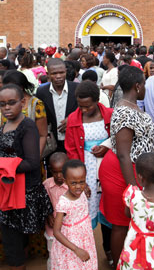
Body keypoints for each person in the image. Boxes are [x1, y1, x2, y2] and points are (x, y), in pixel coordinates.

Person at [0, 84, 53, 269]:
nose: (6, 107)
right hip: (6, 187)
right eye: (2, 104)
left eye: (11, 103)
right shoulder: (7, 123)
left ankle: (18, 264)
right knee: (13, 236)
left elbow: (31, 162)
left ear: (22, 102)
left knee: (12, 237)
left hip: (21, 191)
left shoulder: (27, 126)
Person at [99, 66, 154, 266]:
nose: (145, 87)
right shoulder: (125, 112)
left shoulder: (129, 106)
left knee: (129, 222)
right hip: (122, 171)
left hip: (130, 169)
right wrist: (133, 190)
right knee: (121, 224)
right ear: (137, 86)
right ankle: (119, 264)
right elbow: (124, 153)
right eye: (145, 84)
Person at [64, 80, 114, 266]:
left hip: (107, 169)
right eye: (80, 106)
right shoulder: (73, 119)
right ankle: (89, 253)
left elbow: (119, 139)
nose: (84, 110)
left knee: (108, 210)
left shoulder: (110, 114)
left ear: (97, 100)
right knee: (86, 214)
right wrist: (79, 182)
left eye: (88, 106)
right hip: (86, 171)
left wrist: (106, 147)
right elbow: (71, 150)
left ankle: (109, 249)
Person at [51, 159, 98, 270]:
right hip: (71, 243)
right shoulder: (64, 203)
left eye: (82, 182)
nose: (78, 186)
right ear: (65, 181)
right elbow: (56, 232)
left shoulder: (82, 192)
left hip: (85, 238)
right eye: (73, 183)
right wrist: (76, 249)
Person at [36, 58, 78, 153]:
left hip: (73, 141)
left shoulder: (76, 89)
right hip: (52, 143)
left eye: (61, 72)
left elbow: (86, 110)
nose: (58, 76)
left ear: (66, 72)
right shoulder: (41, 92)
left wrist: (72, 119)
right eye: (54, 74)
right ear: (48, 75)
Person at [3, 71, 48, 156]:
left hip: (30, 155)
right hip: (10, 157)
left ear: (20, 87)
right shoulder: (6, 104)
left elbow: (43, 135)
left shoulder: (36, 104)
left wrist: (36, 158)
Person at [43, 152, 69, 270]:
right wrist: (48, 215)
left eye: (62, 171)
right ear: (50, 170)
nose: (59, 175)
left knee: (68, 255)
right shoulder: (46, 185)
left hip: (69, 231)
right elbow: (43, 203)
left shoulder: (73, 185)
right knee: (53, 255)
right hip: (52, 230)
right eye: (55, 172)